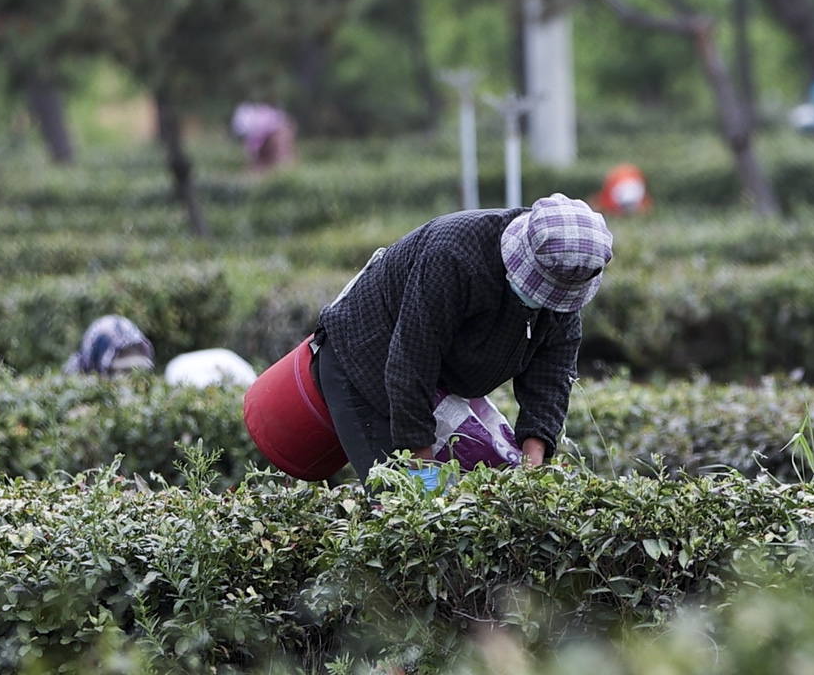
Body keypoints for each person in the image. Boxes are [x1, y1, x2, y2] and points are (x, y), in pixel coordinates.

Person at [312, 193, 612, 480]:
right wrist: (423, 473)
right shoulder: (453, 255)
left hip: (436, 383)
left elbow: (552, 375)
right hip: (363, 359)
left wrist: (531, 467)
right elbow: (412, 361)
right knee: (399, 502)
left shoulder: (567, 279)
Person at [230, 102, 297, 171]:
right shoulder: (253, 124)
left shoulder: (279, 134)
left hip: (275, 132)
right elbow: (255, 154)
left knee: (282, 162)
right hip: (269, 134)